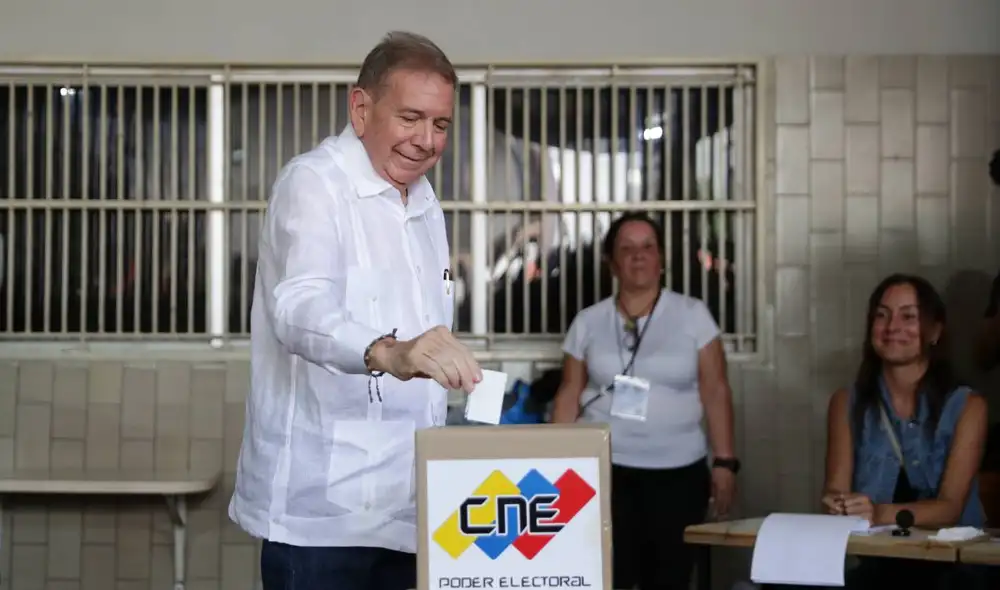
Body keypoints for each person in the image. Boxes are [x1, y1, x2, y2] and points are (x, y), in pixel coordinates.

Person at [228, 31, 483, 590]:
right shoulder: (316, 183)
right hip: (323, 518)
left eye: (441, 124)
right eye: (410, 117)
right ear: (361, 108)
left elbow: (427, 335)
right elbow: (298, 307)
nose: (426, 140)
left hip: (413, 510)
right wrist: (388, 352)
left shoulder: (424, 202)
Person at [551, 212, 738, 590]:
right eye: (627, 248)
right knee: (607, 574)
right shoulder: (588, 321)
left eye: (648, 247)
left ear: (662, 259)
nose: (639, 256)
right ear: (612, 262)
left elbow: (715, 389)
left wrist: (725, 462)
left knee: (670, 576)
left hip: (677, 473)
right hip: (604, 472)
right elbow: (570, 391)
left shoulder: (693, 315)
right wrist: (555, 460)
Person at [821, 274, 988, 590]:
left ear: (935, 331)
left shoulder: (968, 406)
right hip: (879, 561)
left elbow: (950, 508)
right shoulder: (845, 402)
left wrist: (877, 512)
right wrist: (839, 506)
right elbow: (834, 491)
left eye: (908, 316)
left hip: (954, 565)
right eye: (882, 315)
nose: (892, 326)